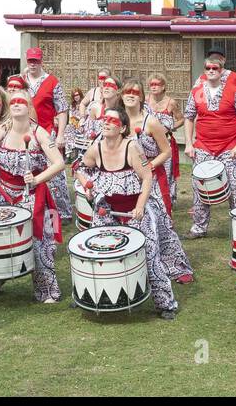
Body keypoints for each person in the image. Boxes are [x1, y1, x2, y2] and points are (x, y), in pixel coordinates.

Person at [0, 81, 64, 303]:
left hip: (32, 195)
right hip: (2, 193)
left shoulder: (40, 134)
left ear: (29, 107)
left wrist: (37, 178)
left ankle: (47, 291)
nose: (17, 104)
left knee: (39, 243)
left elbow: (59, 163)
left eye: (22, 101)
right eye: (14, 101)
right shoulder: (1, 131)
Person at [77, 102, 179, 319]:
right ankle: (93, 295)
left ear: (123, 128)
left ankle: (165, 304)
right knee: (97, 251)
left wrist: (140, 206)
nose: (106, 123)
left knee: (149, 254)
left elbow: (148, 176)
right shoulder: (96, 147)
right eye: (105, 119)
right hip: (108, 209)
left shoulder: (132, 147)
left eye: (112, 120)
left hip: (135, 207)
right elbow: (80, 167)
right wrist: (86, 185)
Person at [122, 80, 193, 283]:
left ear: (142, 96)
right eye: (127, 91)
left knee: (160, 220)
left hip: (153, 176)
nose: (131, 94)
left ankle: (174, 265)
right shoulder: (118, 120)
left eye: (135, 92)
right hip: (127, 178)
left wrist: (149, 168)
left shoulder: (150, 122)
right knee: (133, 220)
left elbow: (167, 151)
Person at [183, 47, 236, 238]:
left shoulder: (234, 89)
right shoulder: (196, 90)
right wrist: (188, 143)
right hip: (204, 146)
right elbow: (189, 116)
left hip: (229, 146)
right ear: (204, 70)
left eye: (215, 68)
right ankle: (199, 227)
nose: (211, 70)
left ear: (222, 70)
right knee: (199, 187)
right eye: (208, 68)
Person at [22, 47, 71, 219]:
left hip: (47, 131)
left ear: (41, 61)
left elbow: (62, 109)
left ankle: (63, 212)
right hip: (26, 132)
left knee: (55, 172)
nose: (33, 64)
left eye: (36, 61)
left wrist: (61, 135)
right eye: (30, 61)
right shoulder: (22, 80)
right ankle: (29, 207)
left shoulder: (52, 81)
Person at [145, 74, 183, 203]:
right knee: (149, 170)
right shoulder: (145, 100)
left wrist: (169, 127)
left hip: (165, 142)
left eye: (157, 84)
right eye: (151, 84)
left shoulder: (171, 102)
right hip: (148, 143)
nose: (154, 87)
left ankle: (167, 199)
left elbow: (181, 119)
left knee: (167, 172)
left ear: (163, 86)